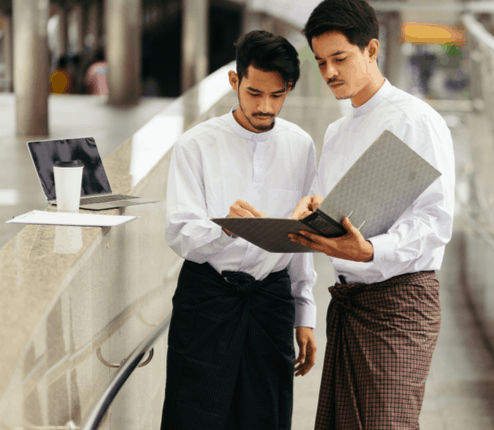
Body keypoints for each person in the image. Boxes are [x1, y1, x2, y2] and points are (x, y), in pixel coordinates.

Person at [290, 0, 456, 428]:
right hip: (349, 302)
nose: (329, 73)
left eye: (339, 58)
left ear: (371, 50)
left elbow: (435, 222)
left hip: (401, 302)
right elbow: (333, 206)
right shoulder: (337, 130)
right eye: (321, 62)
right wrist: (310, 211)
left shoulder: (416, 119)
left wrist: (370, 251)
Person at [161, 30, 318, 430]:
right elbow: (179, 232)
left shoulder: (300, 146)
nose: (266, 106)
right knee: (193, 415)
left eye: (278, 95)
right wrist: (226, 229)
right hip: (208, 297)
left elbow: (301, 240)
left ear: (290, 88)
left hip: (271, 302)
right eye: (254, 93)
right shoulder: (194, 145)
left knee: (267, 416)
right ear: (235, 82)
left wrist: (305, 314)